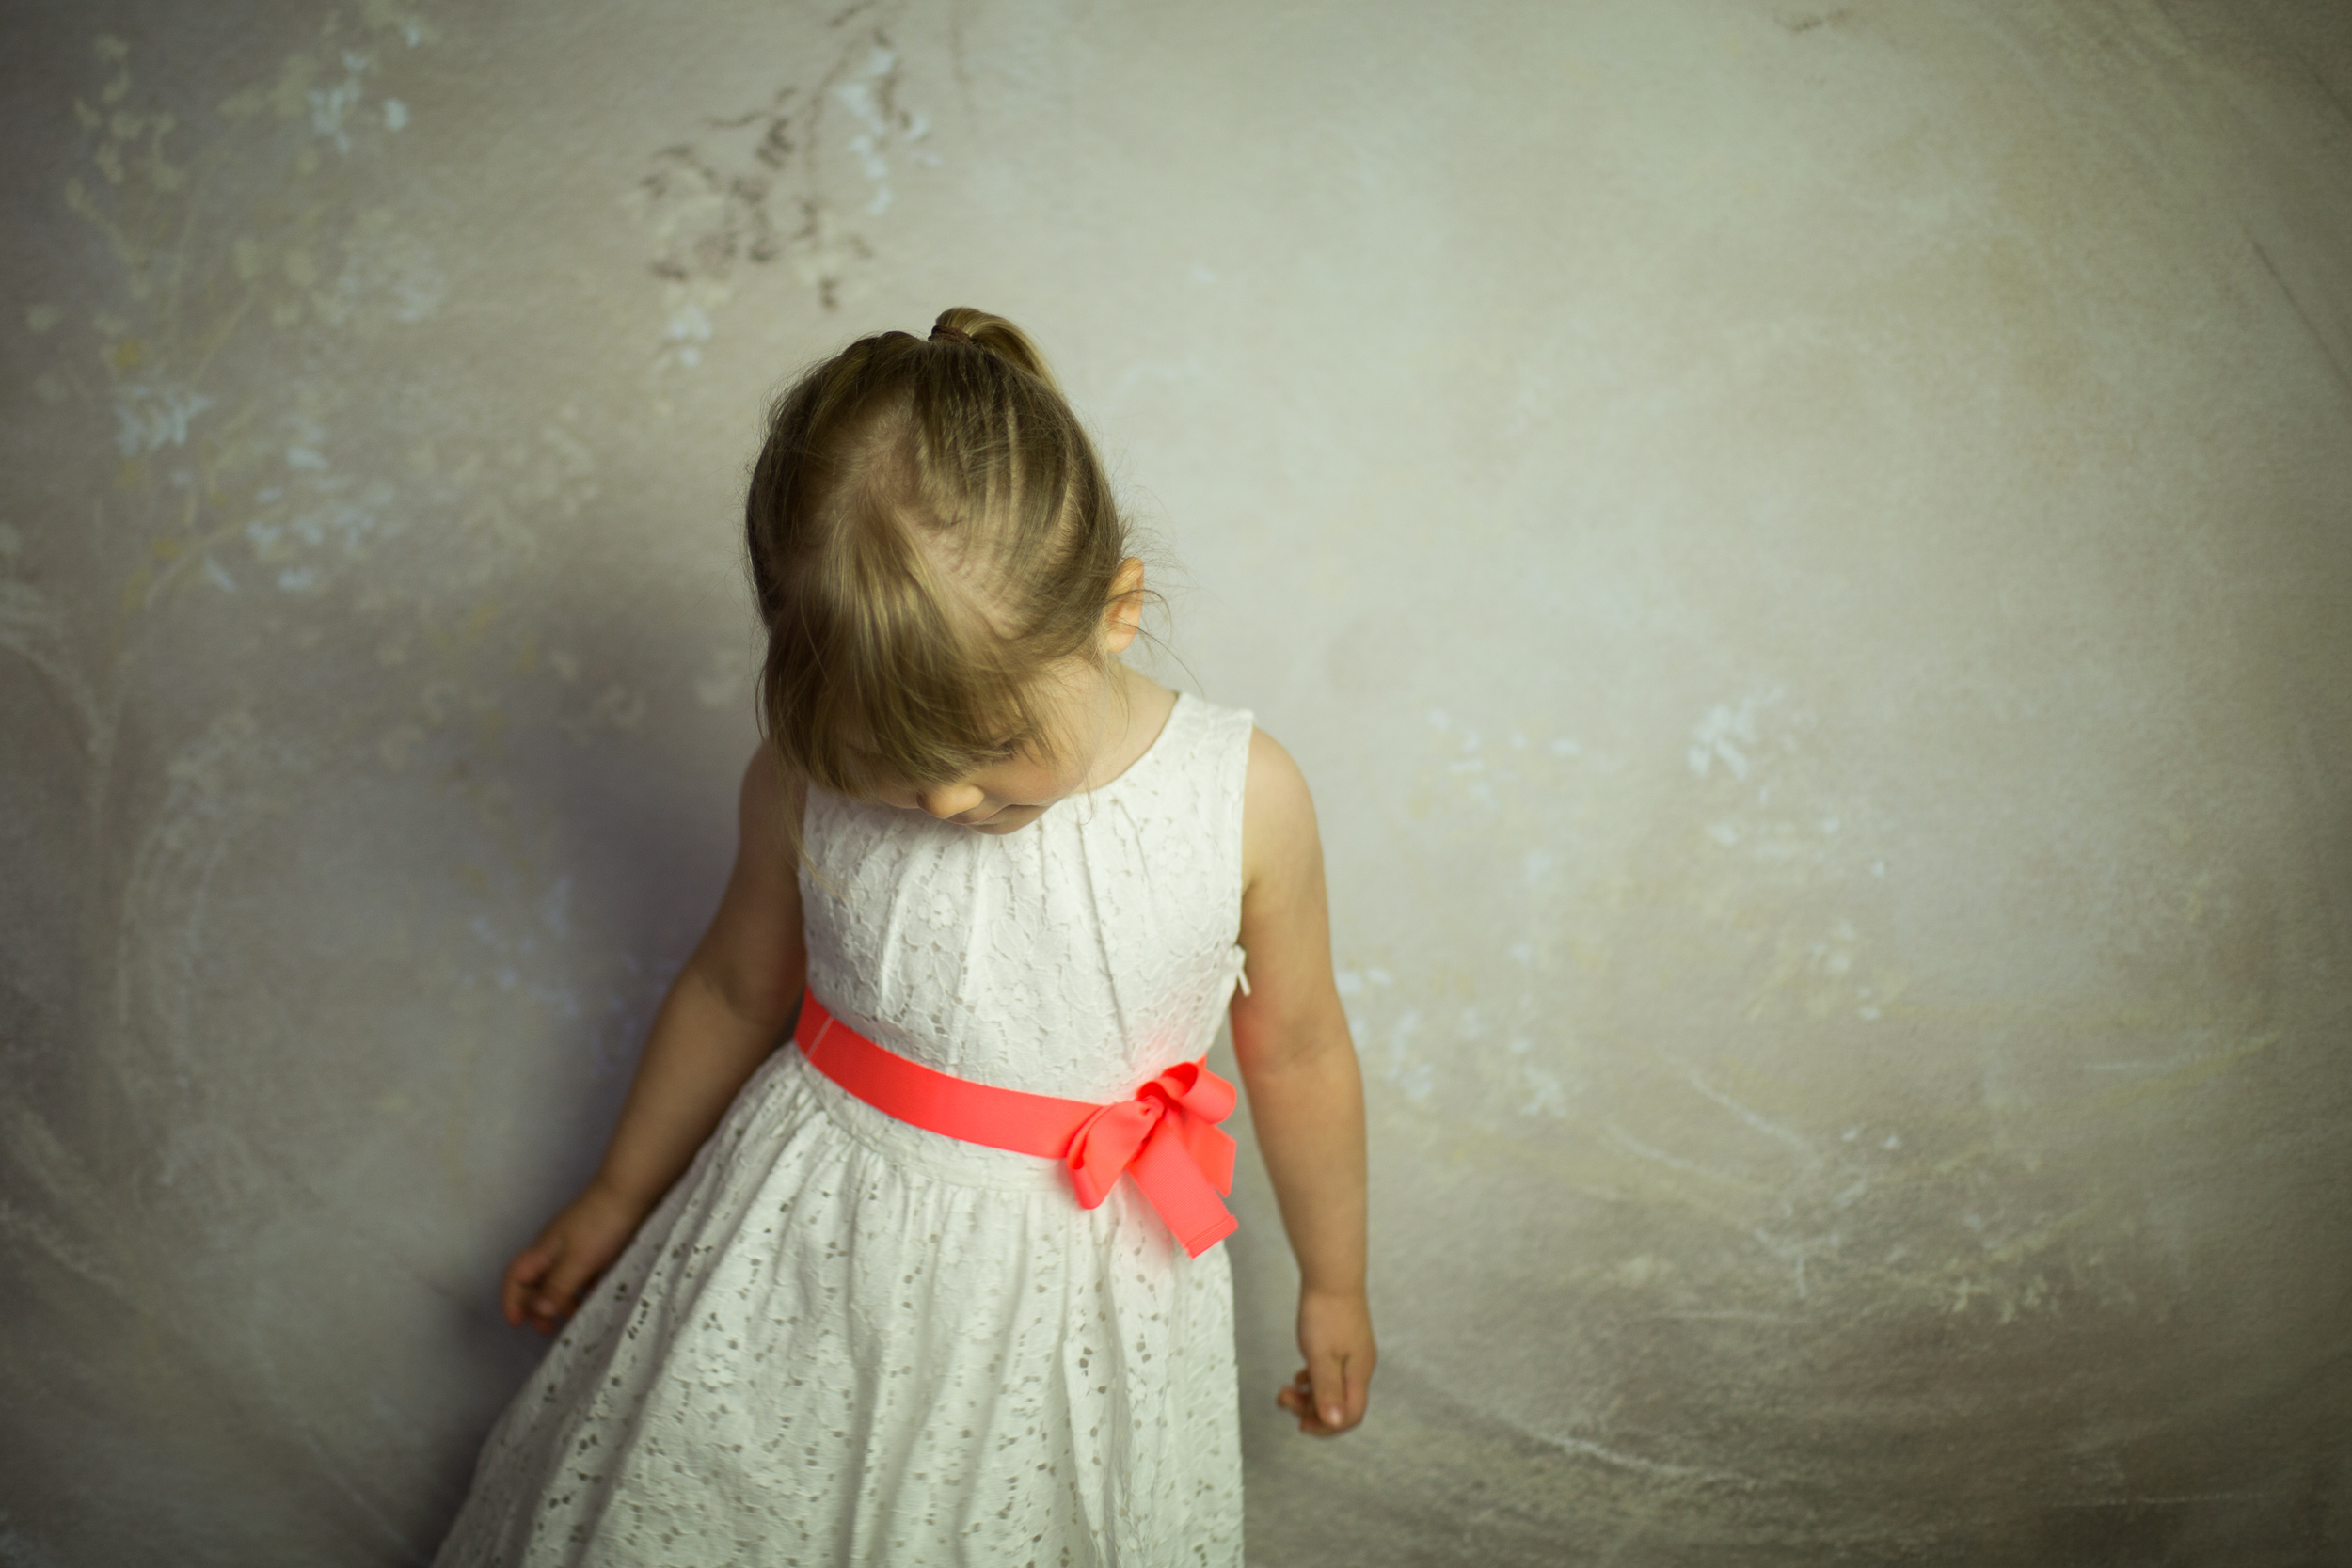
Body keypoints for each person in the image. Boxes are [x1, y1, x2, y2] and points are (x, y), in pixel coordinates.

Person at [431, 308, 1373, 1566]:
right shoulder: (798, 780)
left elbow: (1300, 1049)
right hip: (810, 1258)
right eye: (887, 758)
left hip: (1078, 1298)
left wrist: (1334, 1277)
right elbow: (729, 986)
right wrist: (615, 1194)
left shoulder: (1243, 797)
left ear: (1116, 610)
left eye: (985, 748)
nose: (939, 803)